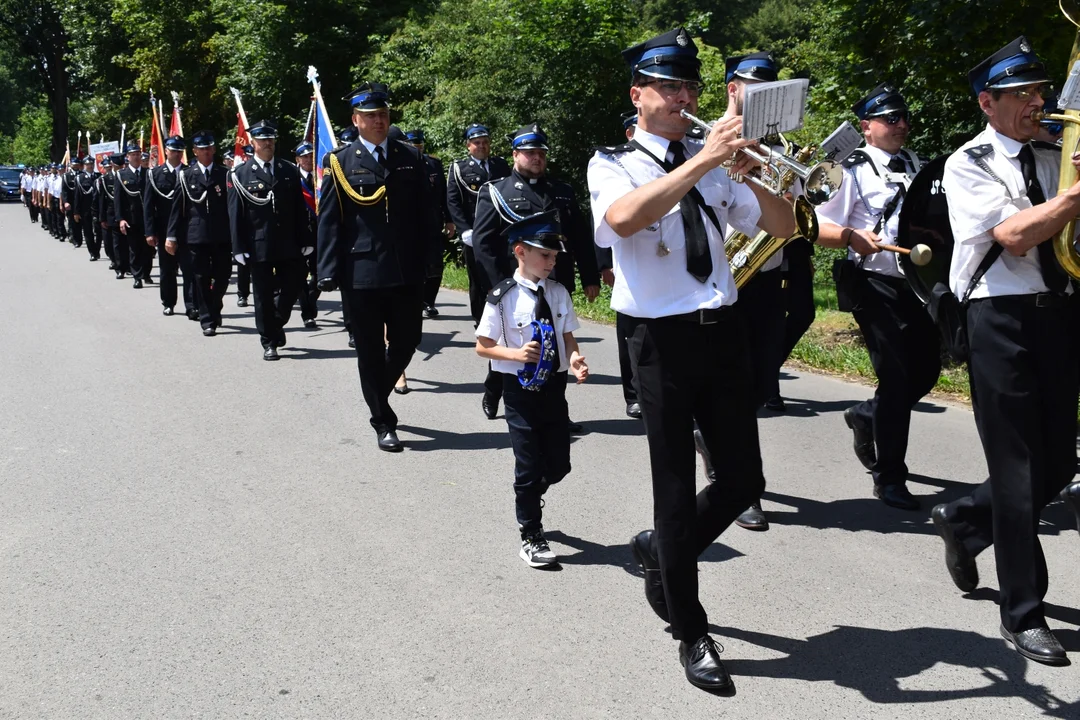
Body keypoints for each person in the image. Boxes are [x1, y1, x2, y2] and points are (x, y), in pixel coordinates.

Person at [588, 27, 796, 692]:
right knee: (675, 489)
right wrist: (704, 162)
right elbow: (623, 220)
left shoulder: (706, 165)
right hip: (660, 342)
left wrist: (758, 174)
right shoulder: (614, 163)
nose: (682, 97)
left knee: (743, 481)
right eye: (668, 87)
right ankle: (690, 628)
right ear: (638, 95)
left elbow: (783, 227)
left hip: (722, 329)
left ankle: (660, 554)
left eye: (688, 86)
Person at [932, 36, 1080, 667]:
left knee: (1055, 467)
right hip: (999, 320)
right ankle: (1023, 613)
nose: (1037, 103)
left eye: (1040, 92)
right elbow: (1014, 235)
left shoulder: (1057, 155)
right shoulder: (968, 162)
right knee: (1018, 470)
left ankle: (965, 519)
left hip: (1059, 316)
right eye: (1021, 95)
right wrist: (1076, 195)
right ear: (987, 102)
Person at [816, 83, 939, 511]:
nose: (902, 125)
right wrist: (852, 236)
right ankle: (890, 477)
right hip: (874, 283)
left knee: (927, 370)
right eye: (891, 119)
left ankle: (867, 415)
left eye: (904, 117)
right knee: (897, 376)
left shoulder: (914, 163)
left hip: (915, 285)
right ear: (867, 127)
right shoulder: (848, 168)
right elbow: (816, 224)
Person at [316, 81, 440, 451]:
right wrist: (326, 269)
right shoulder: (339, 162)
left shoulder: (410, 157)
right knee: (369, 349)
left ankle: (376, 395)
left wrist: (432, 259)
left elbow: (426, 216)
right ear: (356, 120)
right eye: (370, 116)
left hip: (406, 269)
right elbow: (330, 220)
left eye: (383, 115)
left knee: (408, 341)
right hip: (362, 271)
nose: (379, 121)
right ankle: (383, 420)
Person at [476, 210, 589, 567]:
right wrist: (515, 353)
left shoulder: (557, 293)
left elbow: (568, 337)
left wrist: (574, 359)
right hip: (519, 390)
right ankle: (531, 534)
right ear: (520, 251)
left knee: (559, 465)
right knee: (527, 465)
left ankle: (530, 494)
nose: (551, 262)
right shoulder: (502, 296)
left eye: (555, 257)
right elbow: (482, 345)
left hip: (554, 389)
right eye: (545, 255)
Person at [472, 123, 600, 425]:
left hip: (554, 281)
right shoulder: (496, 191)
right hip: (514, 286)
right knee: (514, 346)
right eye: (530, 153)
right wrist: (497, 288)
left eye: (541, 153)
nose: (537, 158)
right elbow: (484, 243)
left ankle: (557, 412)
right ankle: (495, 388)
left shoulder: (562, 192)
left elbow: (580, 236)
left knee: (554, 342)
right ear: (515, 155)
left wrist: (591, 275)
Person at [228, 119, 313, 360]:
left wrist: (305, 238)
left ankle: (275, 324)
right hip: (259, 243)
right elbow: (236, 214)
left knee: (292, 286)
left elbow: (299, 208)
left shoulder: (288, 170)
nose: (268, 143)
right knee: (263, 295)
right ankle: (269, 342)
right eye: (263, 140)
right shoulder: (240, 174)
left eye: (271, 139)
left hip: (288, 241)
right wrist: (238, 247)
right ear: (253, 142)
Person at [595, 111, 642, 420]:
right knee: (628, 338)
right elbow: (599, 220)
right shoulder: (616, 164)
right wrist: (602, 266)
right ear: (629, 133)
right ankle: (633, 395)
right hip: (623, 265)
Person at [166, 130, 232, 336]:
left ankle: (214, 306)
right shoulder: (186, 176)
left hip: (222, 235)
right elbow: (177, 208)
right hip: (196, 236)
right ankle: (207, 319)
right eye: (201, 149)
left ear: (214, 149)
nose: (206, 152)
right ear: (194, 151)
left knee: (223, 276)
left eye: (209, 148)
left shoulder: (226, 174)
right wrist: (171, 236)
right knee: (201, 278)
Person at [446, 123, 512, 323]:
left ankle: (505, 317)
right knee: (478, 278)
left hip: (501, 231)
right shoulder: (459, 168)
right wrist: (464, 230)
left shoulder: (501, 165)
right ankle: (481, 319)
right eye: (477, 143)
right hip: (475, 233)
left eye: (485, 142)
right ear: (468, 146)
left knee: (505, 272)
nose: (482, 146)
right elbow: (453, 201)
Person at [406, 128, 456, 318]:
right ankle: (414, 301)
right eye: (413, 144)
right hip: (410, 225)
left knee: (435, 265)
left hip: (432, 222)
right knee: (414, 264)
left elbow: (444, 195)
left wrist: (449, 220)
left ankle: (429, 302)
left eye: (419, 144)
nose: (417, 147)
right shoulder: (401, 164)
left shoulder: (433, 164)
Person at [145, 135, 195, 317]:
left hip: (187, 229)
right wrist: (150, 232)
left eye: (179, 150)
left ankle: (191, 305)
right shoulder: (155, 174)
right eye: (173, 150)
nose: (176, 153)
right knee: (167, 270)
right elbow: (149, 205)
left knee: (189, 269)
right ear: (166, 151)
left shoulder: (190, 172)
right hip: (164, 228)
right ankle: (168, 302)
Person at [115, 142, 152, 289]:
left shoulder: (148, 172)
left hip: (147, 218)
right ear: (127, 157)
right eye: (133, 155)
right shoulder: (121, 175)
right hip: (131, 218)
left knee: (149, 248)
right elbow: (118, 199)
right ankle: (137, 276)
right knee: (134, 248)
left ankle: (147, 273)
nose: (136, 157)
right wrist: (120, 219)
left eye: (138, 154)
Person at [295, 142, 321, 329]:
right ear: (298, 160)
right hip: (299, 234)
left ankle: (310, 301)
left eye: (311, 156)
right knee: (300, 275)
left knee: (320, 274)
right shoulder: (292, 178)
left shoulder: (321, 179)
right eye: (304, 157)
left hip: (320, 234)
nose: (308, 159)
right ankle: (307, 313)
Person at [98, 156, 126, 278]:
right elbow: (101, 200)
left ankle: (129, 266)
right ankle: (119, 267)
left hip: (127, 213)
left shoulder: (126, 175)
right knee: (117, 243)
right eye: (117, 166)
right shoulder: (105, 179)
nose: (120, 168)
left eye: (121, 166)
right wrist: (102, 218)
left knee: (128, 243)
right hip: (112, 214)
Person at [70, 157, 97, 257]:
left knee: (99, 233)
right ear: (84, 166)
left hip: (98, 210)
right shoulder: (80, 178)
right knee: (88, 232)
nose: (90, 166)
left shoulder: (99, 177)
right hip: (86, 210)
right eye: (88, 164)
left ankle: (97, 249)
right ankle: (93, 253)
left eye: (91, 164)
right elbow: (77, 196)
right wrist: (76, 212)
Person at [62, 158, 83, 248]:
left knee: (81, 222)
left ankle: (80, 238)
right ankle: (75, 239)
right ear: (71, 165)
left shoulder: (82, 175)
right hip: (71, 202)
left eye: (77, 164)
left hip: (81, 202)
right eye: (74, 164)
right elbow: (64, 190)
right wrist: (66, 202)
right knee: (72, 221)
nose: (76, 166)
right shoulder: (66, 176)